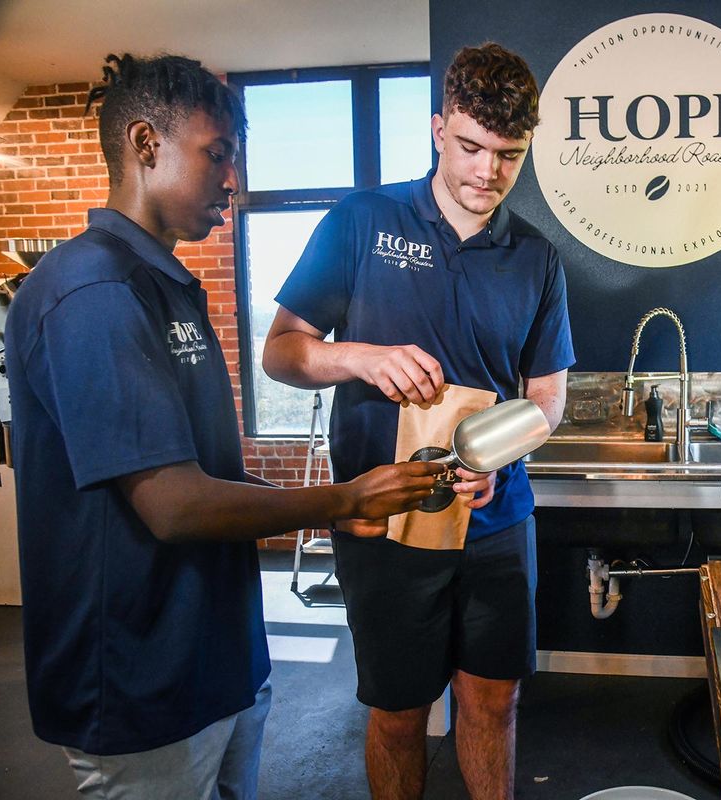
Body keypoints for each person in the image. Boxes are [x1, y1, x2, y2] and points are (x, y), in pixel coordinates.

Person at [4, 53, 440, 800]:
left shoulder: (168, 290)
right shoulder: (90, 294)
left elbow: (211, 472)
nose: (233, 180)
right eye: (219, 154)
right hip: (142, 684)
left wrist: (340, 509)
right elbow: (174, 504)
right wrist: (343, 500)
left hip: (221, 661)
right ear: (147, 144)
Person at [262, 42, 573, 800]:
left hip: (497, 521)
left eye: (508, 155)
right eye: (470, 147)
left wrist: (497, 455)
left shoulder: (537, 258)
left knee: (492, 701)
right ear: (439, 129)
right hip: (384, 517)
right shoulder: (363, 220)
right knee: (400, 714)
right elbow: (280, 352)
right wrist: (361, 358)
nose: (486, 173)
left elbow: (549, 398)